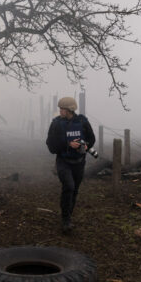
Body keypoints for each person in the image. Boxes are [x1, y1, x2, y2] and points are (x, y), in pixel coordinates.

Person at [46, 97, 96, 233]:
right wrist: (68, 144)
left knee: (74, 191)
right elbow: (51, 146)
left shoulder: (82, 121)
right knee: (69, 186)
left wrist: (85, 145)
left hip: (79, 162)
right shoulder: (56, 124)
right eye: (60, 108)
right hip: (63, 162)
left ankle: (68, 215)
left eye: (62, 109)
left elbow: (91, 139)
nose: (60, 111)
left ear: (70, 110)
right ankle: (66, 220)